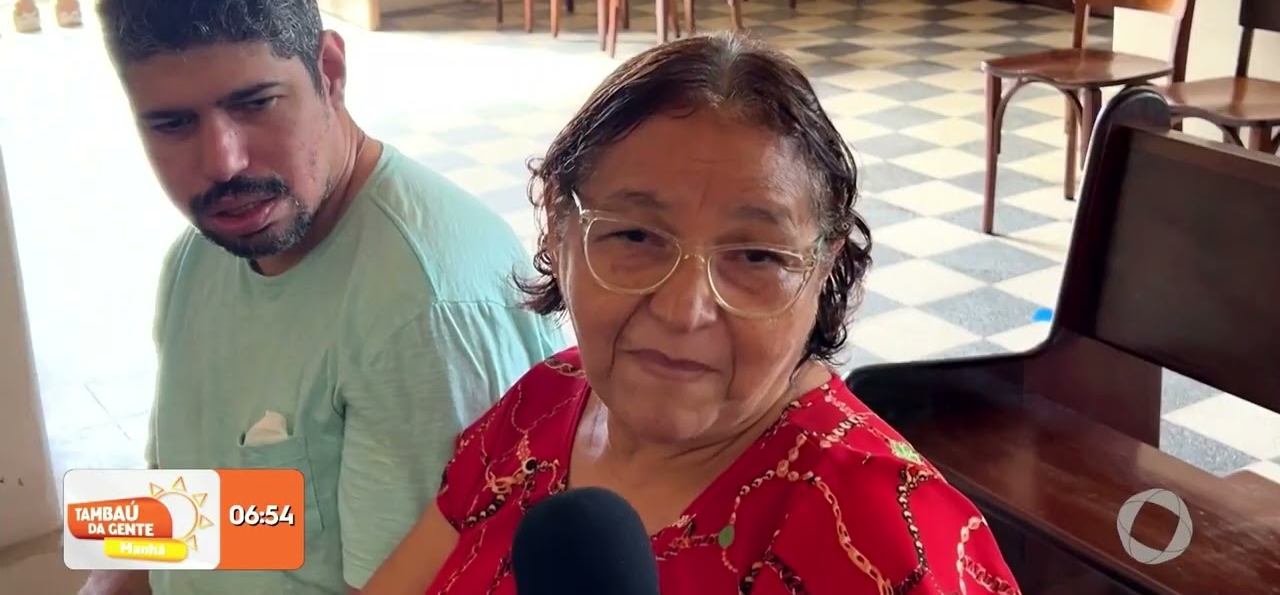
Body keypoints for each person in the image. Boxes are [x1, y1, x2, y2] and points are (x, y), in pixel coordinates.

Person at [360, 32, 1023, 594]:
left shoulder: (890, 545)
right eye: (636, 237)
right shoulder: (542, 407)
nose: (684, 311)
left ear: (821, 270)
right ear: (560, 231)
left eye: (757, 256)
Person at [79, 0, 565, 595]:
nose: (222, 162)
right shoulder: (203, 255)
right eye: (171, 123)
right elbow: (194, 510)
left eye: (255, 103)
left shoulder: (422, 313)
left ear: (329, 71)